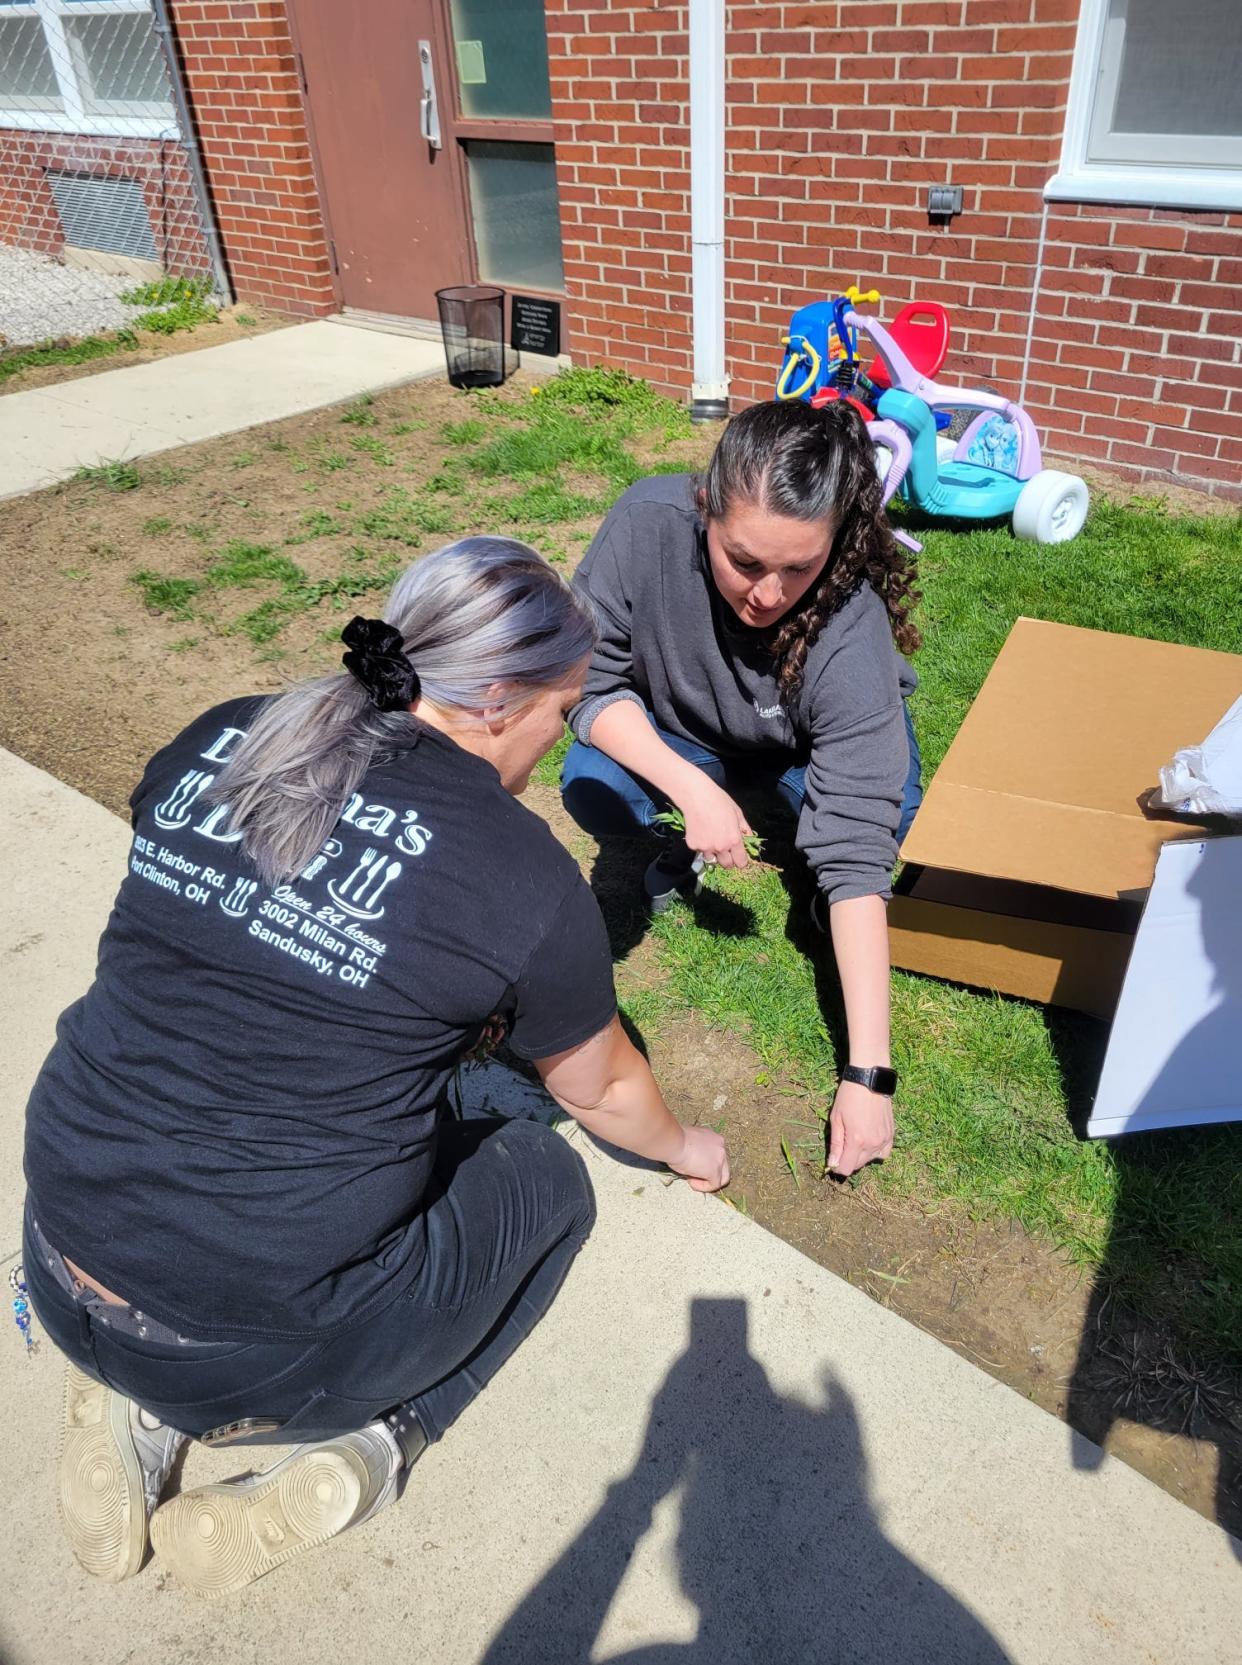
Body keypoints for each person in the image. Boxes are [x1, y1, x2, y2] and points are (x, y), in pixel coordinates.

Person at [22, 537, 729, 1598]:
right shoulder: (520, 876)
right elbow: (604, 1092)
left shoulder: (228, 730)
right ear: (497, 700)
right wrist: (687, 1145)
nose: (563, 733)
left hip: (56, 1243)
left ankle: (116, 1397)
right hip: (252, 1359)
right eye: (564, 707)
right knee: (550, 1183)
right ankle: (377, 1447)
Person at [560, 399, 922, 1181]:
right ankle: (687, 832)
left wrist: (869, 1075)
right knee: (596, 785)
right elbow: (589, 684)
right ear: (705, 509)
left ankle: (790, 839)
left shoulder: (850, 622)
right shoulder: (645, 523)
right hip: (684, 725)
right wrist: (690, 786)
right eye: (746, 561)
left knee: (892, 816)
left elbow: (858, 850)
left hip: (800, 742)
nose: (769, 593)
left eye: (800, 567)